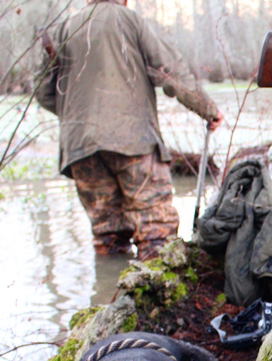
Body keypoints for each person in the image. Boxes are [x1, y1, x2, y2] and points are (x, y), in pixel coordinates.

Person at [36, 0, 224, 261]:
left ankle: (107, 293)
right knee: (156, 235)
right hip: (134, 141)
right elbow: (171, 72)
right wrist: (207, 108)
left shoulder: (62, 30)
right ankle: (154, 299)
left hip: (80, 147)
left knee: (108, 237)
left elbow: (44, 92)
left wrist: (81, 113)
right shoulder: (130, 20)